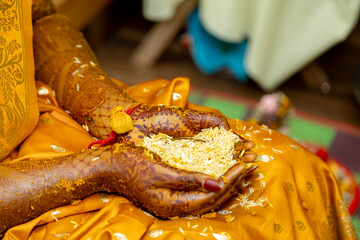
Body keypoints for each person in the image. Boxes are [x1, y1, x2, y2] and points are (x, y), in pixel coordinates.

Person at [0, 0, 357, 239]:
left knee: (288, 166)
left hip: (45, 110)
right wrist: (99, 168)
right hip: (17, 191)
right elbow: (104, 168)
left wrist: (118, 115)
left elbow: (37, 16)